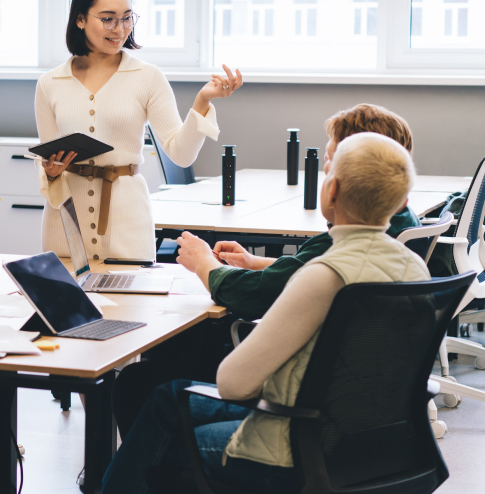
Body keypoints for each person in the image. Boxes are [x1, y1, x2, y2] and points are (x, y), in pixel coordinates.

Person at [101, 132, 429, 494]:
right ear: (403, 199)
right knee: (165, 399)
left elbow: (233, 384)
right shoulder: (414, 267)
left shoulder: (322, 275)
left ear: (332, 192)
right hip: (374, 443)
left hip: (295, 451)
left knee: (161, 421)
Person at [36, 0, 242, 262]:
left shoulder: (147, 77)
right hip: (65, 225)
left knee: (130, 304)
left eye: (127, 17)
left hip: (127, 226)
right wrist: (50, 171)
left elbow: (181, 154)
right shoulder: (49, 83)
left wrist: (202, 101)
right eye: (107, 18)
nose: (119, 28)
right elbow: (49, 160)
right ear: (80, 19)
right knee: (65, 305)